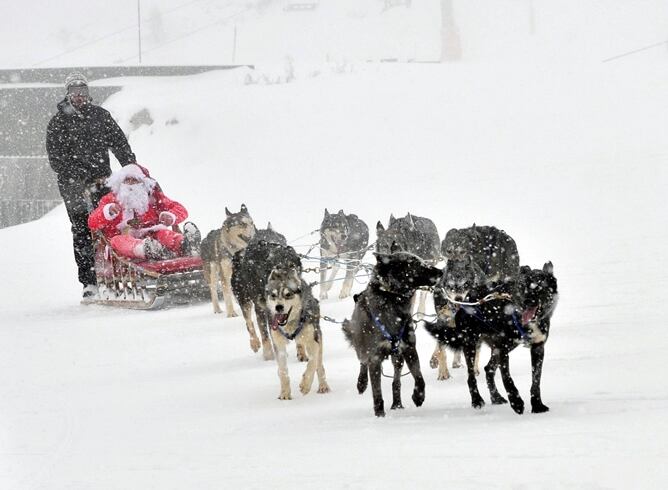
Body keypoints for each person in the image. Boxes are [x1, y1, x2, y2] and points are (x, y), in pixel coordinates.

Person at [46, 72, 137, 298]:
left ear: (88, 93)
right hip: (73, 187)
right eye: (74, 92)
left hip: (102, 181)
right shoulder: (58, 122)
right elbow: (57, 160)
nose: (79, 96)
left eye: (83, 91)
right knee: (82, 229)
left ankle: (115, 272)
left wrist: (130, 166)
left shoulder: (100, 116)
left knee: (111, 222)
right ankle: (89, 282)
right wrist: (79, 175)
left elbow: (119, 143)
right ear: (68, 95)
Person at [88, 164, 200, 261]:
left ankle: (185, 244)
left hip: (153, 236)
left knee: (164, 234)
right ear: (120, 183)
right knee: (118, 241)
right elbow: (92, 222)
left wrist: (171, 216)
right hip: (123, 242)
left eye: (135, 180)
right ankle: (146, 249)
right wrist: (107, 212)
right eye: (127, 180)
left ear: (143, 183)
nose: (131, 184)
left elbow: (180, 209)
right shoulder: (110, 199)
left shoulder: (153, 198)